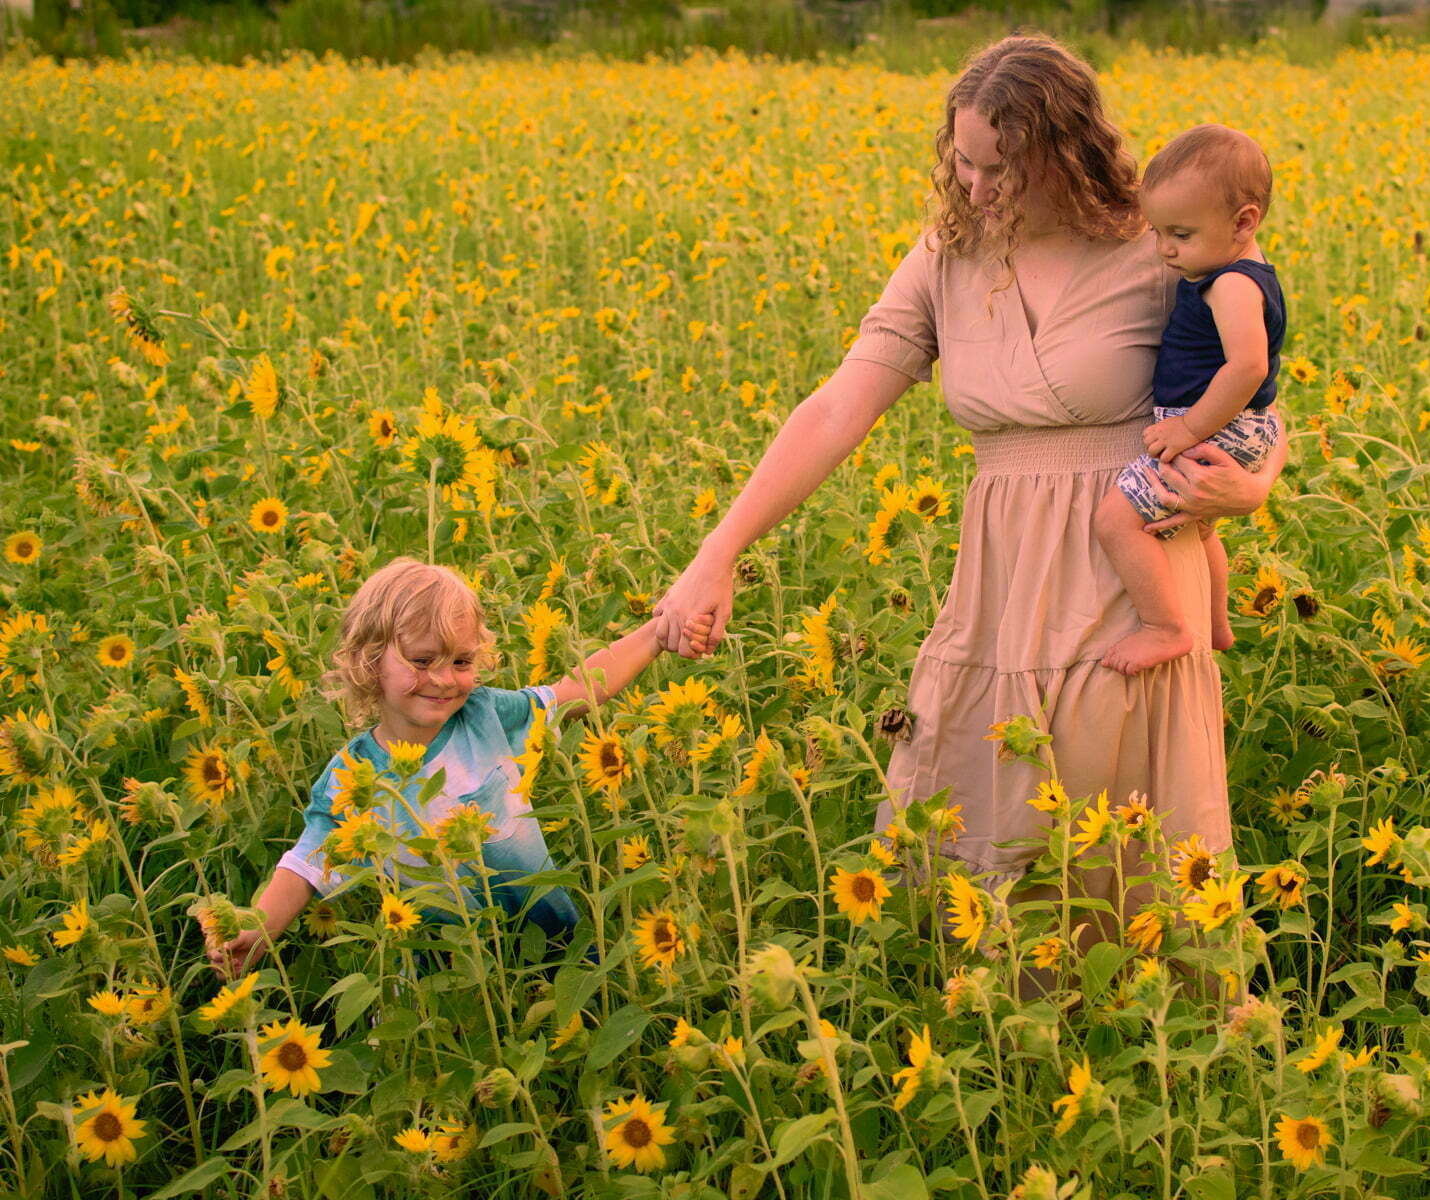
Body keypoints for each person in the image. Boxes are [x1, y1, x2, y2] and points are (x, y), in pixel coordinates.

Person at [652, 35, 1287, 882]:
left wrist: (1253, 486)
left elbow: (1251, 382)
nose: (977, 189)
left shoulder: (1161, 244)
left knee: (1114, 847)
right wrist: (716, 554)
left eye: (1003, 168)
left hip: (1127, 567)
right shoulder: (947, 257)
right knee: (977, 839)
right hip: (998, 581)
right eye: (965, 164)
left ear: (1065, 153)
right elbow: (838, 408)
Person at [205, 556, 710, 978]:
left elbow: (579, 689)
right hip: (448, 982)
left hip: (553, 952)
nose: (444, 680)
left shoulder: (488, 716)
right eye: (423, 661)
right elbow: (305, 864)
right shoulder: (353, 776)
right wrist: (261, 925)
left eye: (462, 662)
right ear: (369, 661)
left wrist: (655, 635)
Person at [1098, 123, 1286, 674]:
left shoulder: (1231, 284)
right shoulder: (1236, 270)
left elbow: (1249, 366)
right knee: (1200, 528)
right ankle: (1216, 621)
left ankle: (1167, 627)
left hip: (1216, 426)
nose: (1164, 250)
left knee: (1115, 522)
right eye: (1158, 233)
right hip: (1235, 426)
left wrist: (1187, 430)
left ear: (1244, 222)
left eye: (1179, 234)